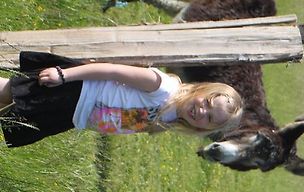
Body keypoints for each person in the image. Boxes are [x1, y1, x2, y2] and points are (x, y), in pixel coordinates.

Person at [0, 52, 243, 147]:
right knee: (7, 94)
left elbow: (127, 121)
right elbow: (112, 70)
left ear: (205, 129)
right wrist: (64, 75)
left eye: (210, 118)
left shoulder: (168, 120)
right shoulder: (163, 87)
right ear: (201, 90)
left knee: (9, 112)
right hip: (73, 91)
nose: (202, 111)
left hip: (71, 115)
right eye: (207, 103)